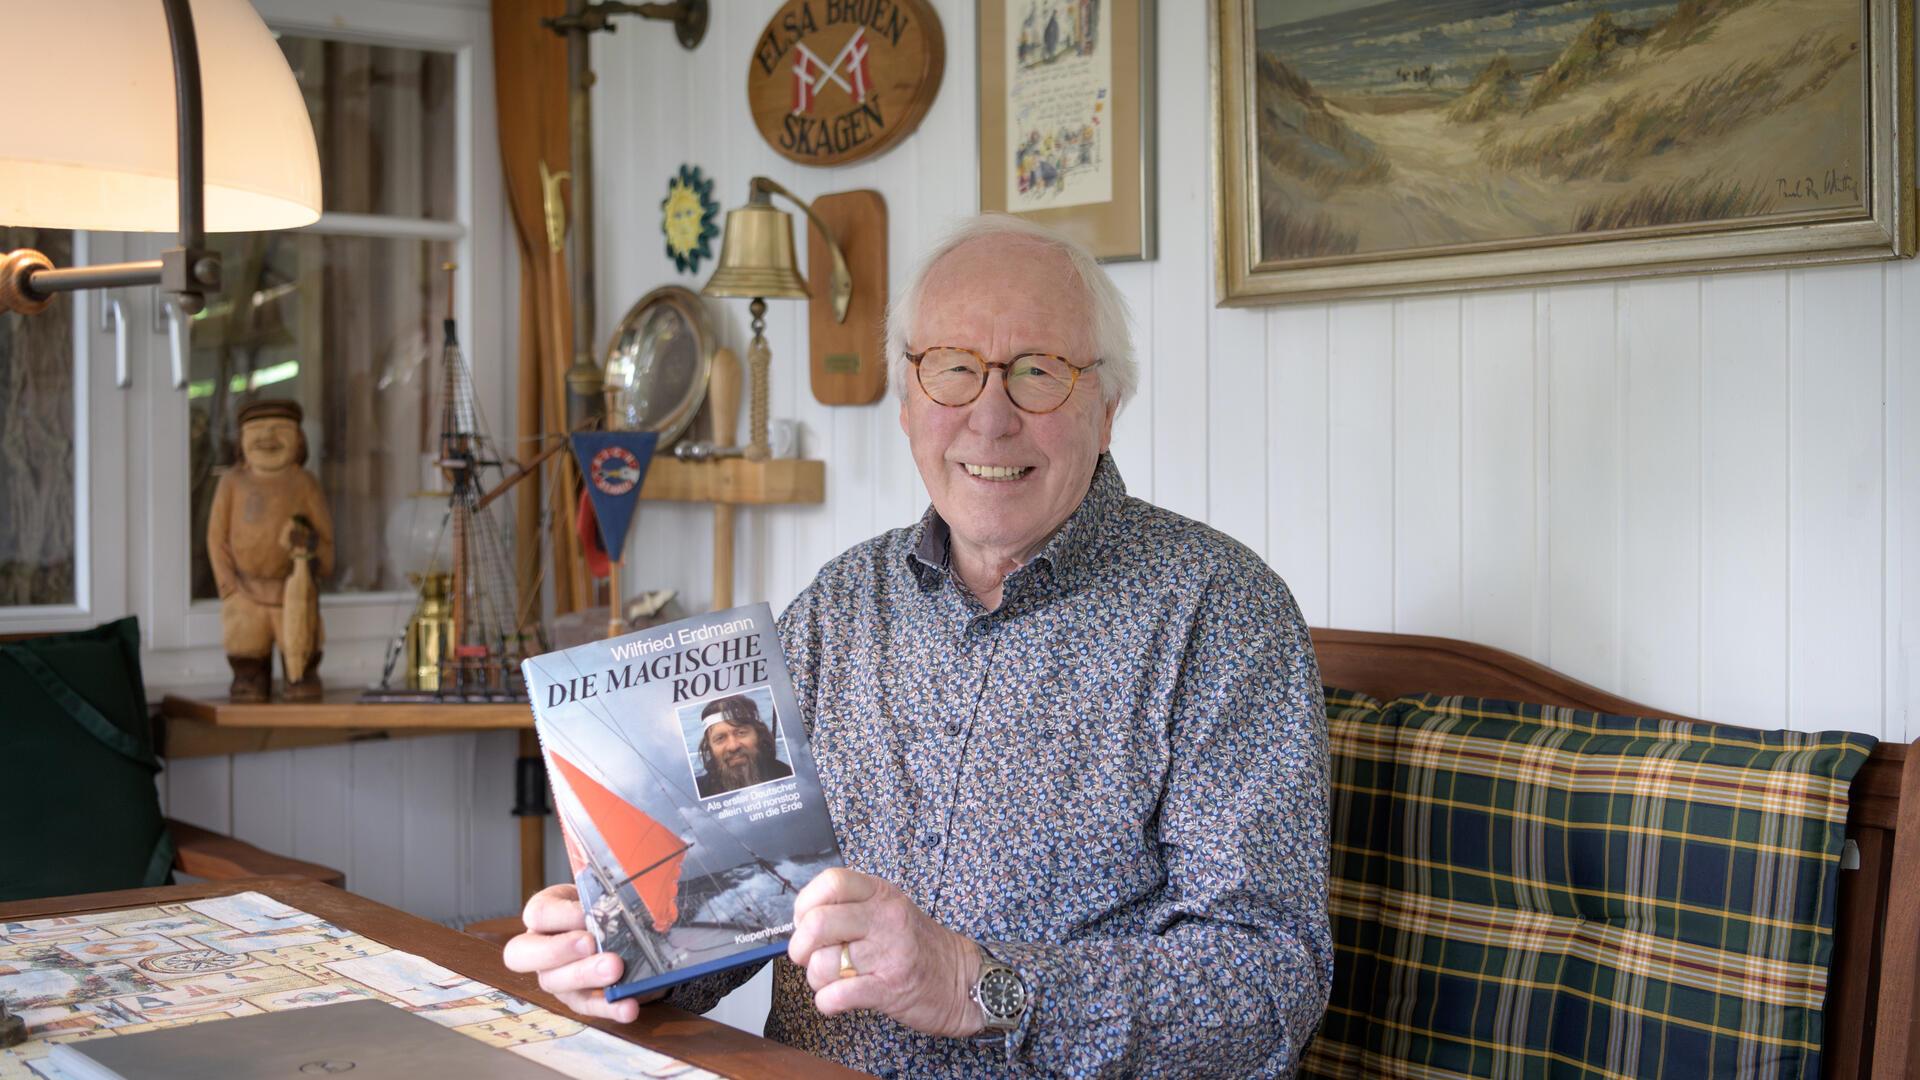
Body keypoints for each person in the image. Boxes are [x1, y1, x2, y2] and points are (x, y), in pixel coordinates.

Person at [505, 215, 1331, 1076]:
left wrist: (980, 984)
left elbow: (1272, 979)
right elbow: (740, 906)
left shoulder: (1222, 614)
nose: (990, 418)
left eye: (1038, 373)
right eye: (954, 370)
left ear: (1107, 408)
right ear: (908, 401)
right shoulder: (837, 609)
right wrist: (627, 951)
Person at [205, 399, 334, 703]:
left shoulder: (304, 484)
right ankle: (250, 676)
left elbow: (326, 541)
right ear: (242, 441)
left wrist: (308, 546)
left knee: (301, 651)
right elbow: (216, 539)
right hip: (245, 594)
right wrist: (228, 587)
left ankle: (300, 676)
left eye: (279, 429)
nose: (268, 438)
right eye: (258, 430)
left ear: (298, 440)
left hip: (294, 595)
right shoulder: (232, 483)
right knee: (246, 655)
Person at [695, 694, 793, 797]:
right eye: (720, 738)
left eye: (741, 733)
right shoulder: (699, 792)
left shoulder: (790, 777)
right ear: (710, 747)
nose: (733, 746)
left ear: (759, 735)